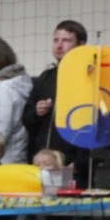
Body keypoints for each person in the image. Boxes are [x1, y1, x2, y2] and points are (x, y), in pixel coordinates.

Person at [21, 21, 89, 165]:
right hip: (42, 160)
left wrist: (79, 162)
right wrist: (36, 113)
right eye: (56, 40)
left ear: (81, 45)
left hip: (73, 162)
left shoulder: (89, 78)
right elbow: (26, 119)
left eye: (66, 40)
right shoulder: (46, 77)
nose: (59, 45)